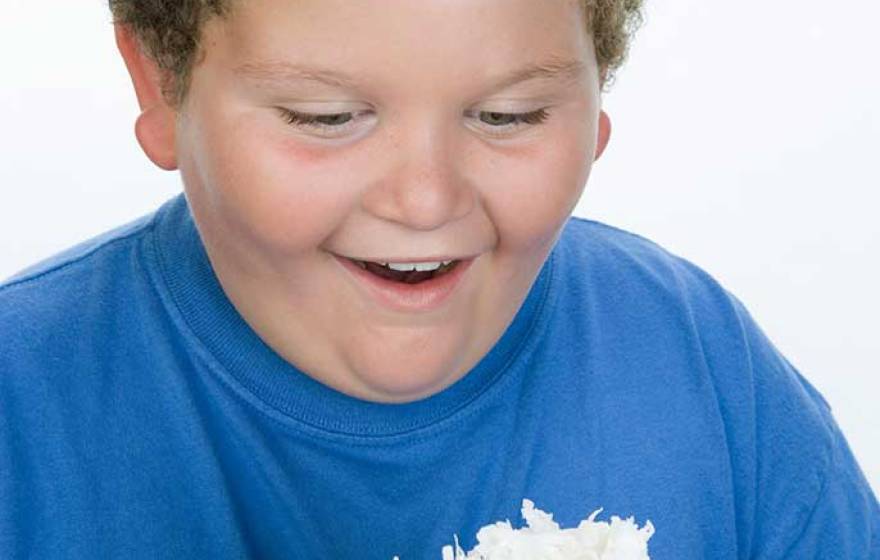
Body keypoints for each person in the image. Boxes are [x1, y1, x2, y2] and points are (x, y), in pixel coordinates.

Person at [0, 0, 877, 557]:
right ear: (159, 85)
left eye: (509, 115)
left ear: (596, 105)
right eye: (327, 117)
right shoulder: (24, 410)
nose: (425, 200)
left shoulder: (704, 370)